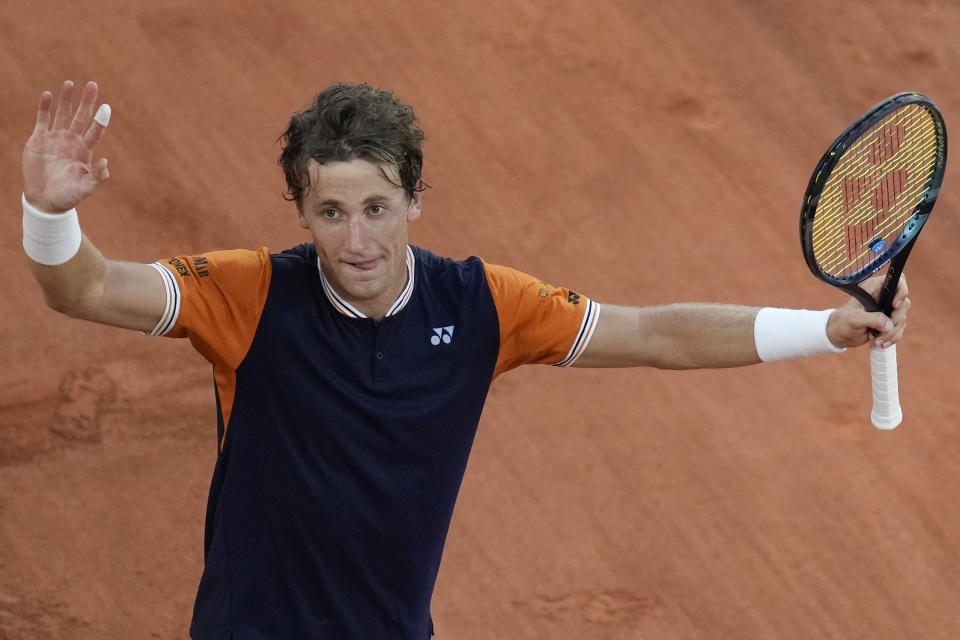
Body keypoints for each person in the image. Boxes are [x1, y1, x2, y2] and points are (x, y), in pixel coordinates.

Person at [21, 80, 910, 640]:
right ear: (301, 212)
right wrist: (51, 215)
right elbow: (88, 290)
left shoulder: (483, 306)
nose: (357, 238)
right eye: (331, 213)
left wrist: (824, 329)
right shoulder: (249, 295)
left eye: (377, 206)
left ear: (412, 197)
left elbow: (652, 334)